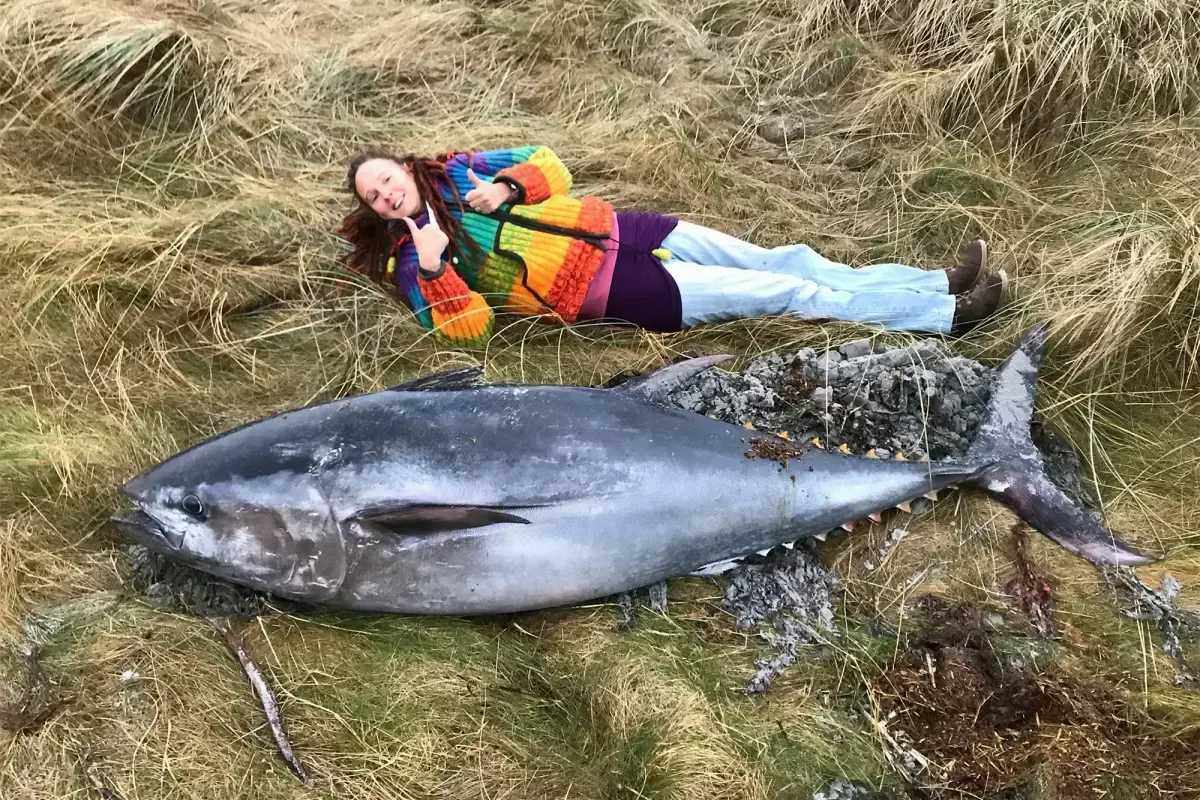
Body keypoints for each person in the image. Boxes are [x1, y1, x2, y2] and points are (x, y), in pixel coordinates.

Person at [336, 145, 1006, 348]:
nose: (387, 194)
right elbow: (470, 331)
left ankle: (933, 283)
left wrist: (508, 189)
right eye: (375, 196)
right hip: (614, 292)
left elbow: (550, 163)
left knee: (788, 259)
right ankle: (947, 319)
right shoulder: (408, 264)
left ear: (401, 167)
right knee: (790, 292)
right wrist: (436, 269)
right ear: (373, 210)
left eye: (386, 179)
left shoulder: (460, 169)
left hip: (630, 230)